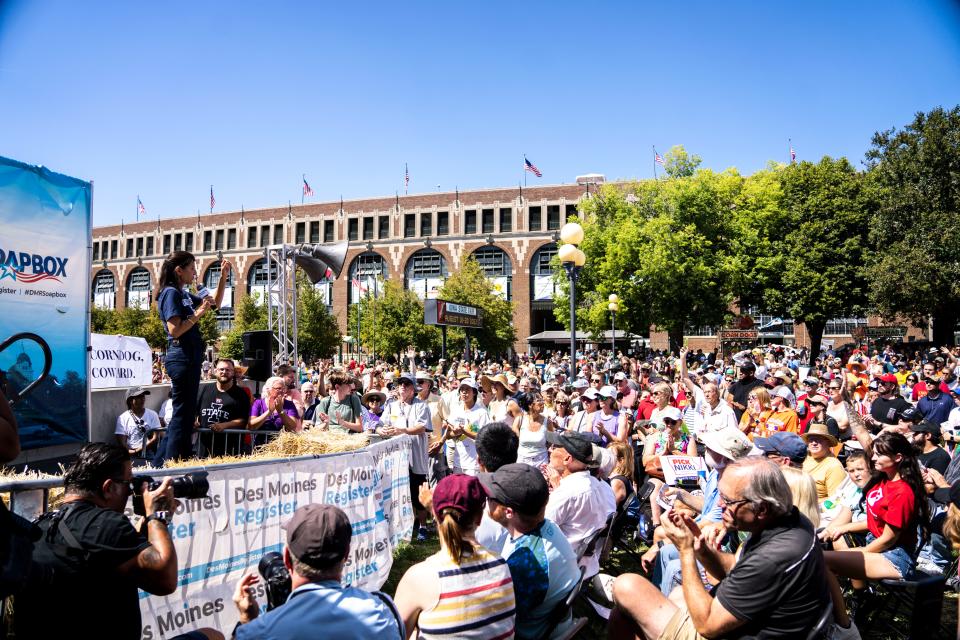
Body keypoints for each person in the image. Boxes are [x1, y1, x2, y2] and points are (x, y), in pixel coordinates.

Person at [609, 457, 829, 640]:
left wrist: (685, 551)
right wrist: (700, 547)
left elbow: (707, 626)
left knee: (626, 585)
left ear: (761, 508)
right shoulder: (791, 520)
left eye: (728, 501)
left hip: (722, 628)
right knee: (635, 610)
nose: (720, 505)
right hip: (747, 620)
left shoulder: (773, 557)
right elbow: (734, 567)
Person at [13, 444, 180, 638]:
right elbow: (165, 580)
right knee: (211, 634)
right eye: (129, 484)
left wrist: (147, 519)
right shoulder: (106, 524)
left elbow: (115, 554)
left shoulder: (38, 527)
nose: (130, 493)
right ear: (108, 487)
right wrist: (157, 516)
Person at [232, 504, 404, 639]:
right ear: (346, 555)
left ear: (286, 559)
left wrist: (247, 620)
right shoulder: (382, 610)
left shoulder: (256, 632)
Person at [394, 474, 516, 639]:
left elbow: (394, 635)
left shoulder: (420, 578)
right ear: (480, 518)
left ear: (436, 515)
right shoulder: (501, 565)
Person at [478, 463, 580, 640]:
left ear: (508, 512)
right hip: (554, 624)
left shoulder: (524, 565)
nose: (486, 500)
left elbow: (491, 617)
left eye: (489, 497)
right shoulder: (549, 527)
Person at [153, 250, 231, 466]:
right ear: (179, 271)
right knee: (182, 414)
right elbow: (174, 330)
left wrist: (223, 277)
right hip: (181, 356)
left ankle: (162, 463)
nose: (195, 272)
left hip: (190, 357)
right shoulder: (170, 293)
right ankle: (170, 463)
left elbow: (214, 303)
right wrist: (198, 314)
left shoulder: (184, 294)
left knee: (186, 415)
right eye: (191, 268)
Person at [824, 431, 928, 582]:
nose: (873, 458)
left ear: (898, 457)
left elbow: (888, 539)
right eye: (874, 454)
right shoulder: (882, 479)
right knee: (820, 557)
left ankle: (844, 604)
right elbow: (877, 520)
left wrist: (861, 553)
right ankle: (861, 597)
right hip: (875, 543)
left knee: (823, 560)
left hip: (894, 557)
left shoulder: (902, 492)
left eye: (879, 455)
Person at [544, 431, 616, 577]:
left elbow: (541, 530)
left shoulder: (567, 493)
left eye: (556, 447)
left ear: (567, 459)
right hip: (586, 565)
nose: (550, 449)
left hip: (563, 568)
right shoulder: (598, 484)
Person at [380, 372, 433, 541]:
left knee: (418, 492)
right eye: (400, 384)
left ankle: (423, 527)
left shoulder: (421, 405)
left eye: (406, 384)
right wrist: (382, 430)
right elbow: (382, 424)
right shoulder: (391, 406)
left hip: (416, 456)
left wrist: (401, 431)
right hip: (396, 458)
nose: (402, 387)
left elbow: (421, 428)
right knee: (399, 491)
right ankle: (404, 526)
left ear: (413, 389)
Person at [196, 358, 251, 457]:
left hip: (229, 451)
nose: (224, 372)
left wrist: (224, 425)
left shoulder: (241, 394)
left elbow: (244, 420)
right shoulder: (204, 390)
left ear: (233, 372)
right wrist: (194, 421)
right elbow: (194, 411)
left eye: (228, 370)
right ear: (215, 371)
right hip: (203, 448)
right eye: (221, 369)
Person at [442, 378, 489, 475]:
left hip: (474, 464)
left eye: (468, 389)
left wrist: (464, 431)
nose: (464, 392)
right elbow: (449, 435)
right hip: (458, 462)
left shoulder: (481, 413)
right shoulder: (456, 410)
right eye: (462, 389)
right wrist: (454, 432)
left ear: (474, 393)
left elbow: (483, 437)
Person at [801, 423, 846, 502]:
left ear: (828, 442)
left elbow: (836, 500)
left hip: (815, 509)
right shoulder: (804, 456)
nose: (814, 443)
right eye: (811, 439)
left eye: (819, 439)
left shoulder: (834, 466)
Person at [115, 385, 163, 458]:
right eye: (139, 397)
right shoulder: (122, 418)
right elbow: (122, 443)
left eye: (143, 396)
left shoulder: (152, 414)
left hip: (149, 454)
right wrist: (131, 452)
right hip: (130, 455)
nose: (142, 399)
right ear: (130, 400)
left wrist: (138, 451)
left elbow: (155, 438)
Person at [314, 369, 364, 433]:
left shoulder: (354, 399)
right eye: (348, 385)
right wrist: (325, 423)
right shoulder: (325, 402)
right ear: (337, 386)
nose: (351, 387)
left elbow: (360, 427)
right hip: (330, 439)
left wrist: (343, 423)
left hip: (349, 439)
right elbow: (317, 429)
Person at [515, 391, 553, 467]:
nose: (543, 402)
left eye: (542, 400)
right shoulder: (519, 420)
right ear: (530, 405)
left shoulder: (548, 422)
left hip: (541, 463)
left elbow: (550, 442)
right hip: (522, 462)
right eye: (539, 400)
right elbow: (515, 440)